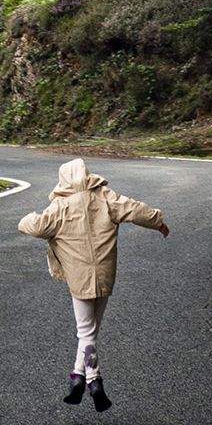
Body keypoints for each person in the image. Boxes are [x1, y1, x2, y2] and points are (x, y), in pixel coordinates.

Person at [17, 156, 169, 411]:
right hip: (105, 274)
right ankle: (77, 376)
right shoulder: (105, 197)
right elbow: (134, 209)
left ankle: (93, 379)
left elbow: (34, 226)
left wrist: (25, 218)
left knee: (86, 331)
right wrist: (158, 222)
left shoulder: (60, 208)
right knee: (90, 331)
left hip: (80, 280)